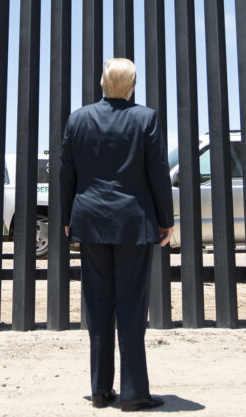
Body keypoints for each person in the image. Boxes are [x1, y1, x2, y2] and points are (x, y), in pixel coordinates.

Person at [60, 59, 175, 412]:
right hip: (133, 224)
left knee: (98, 306)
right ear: (133, 85)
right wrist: (166, 220)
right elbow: (158, 173)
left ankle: (99, 391)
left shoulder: (79, 119)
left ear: (103, 81)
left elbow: (67, 172)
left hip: (91, 222)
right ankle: (134, 392)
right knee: (131, 306)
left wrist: (67, 218)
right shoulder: (146, 119)